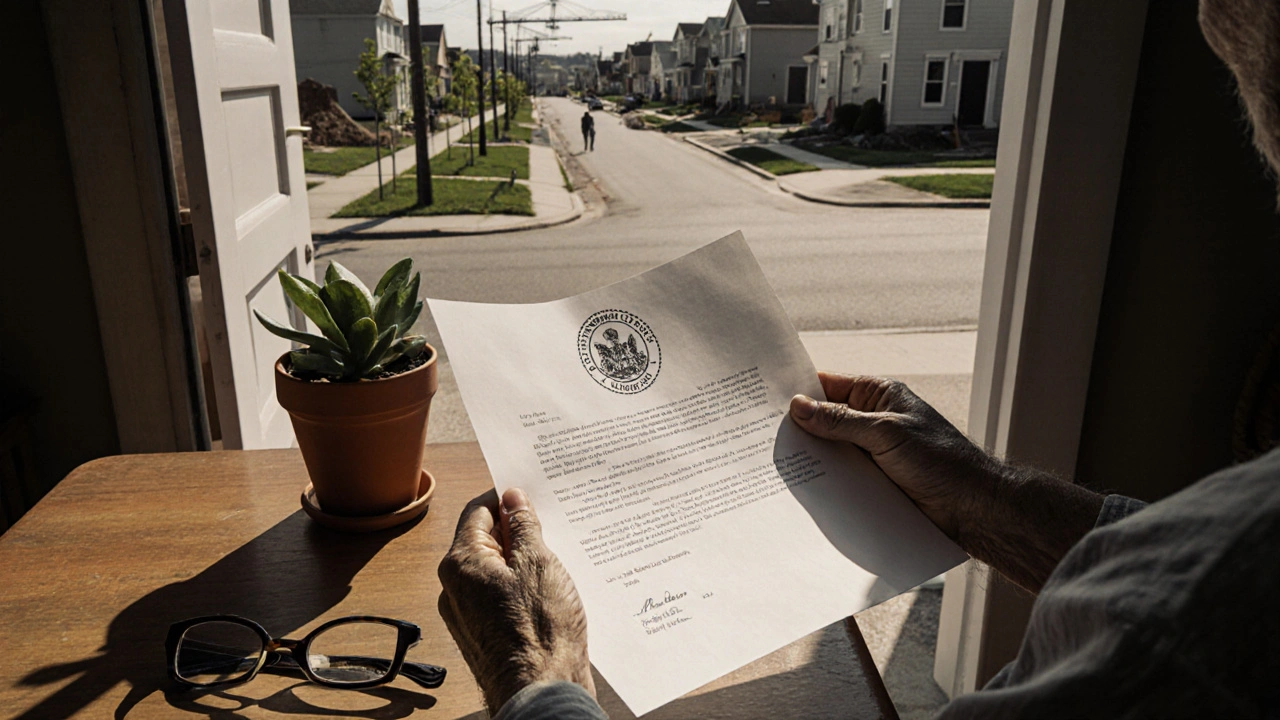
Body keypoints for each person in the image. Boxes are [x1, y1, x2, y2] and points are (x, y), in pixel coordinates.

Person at [438, 2, 1280, 717]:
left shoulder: (1188, 632)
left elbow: (1190, 594)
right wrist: (981, 495)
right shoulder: (1216, 570)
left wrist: (539, 681)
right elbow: (1161, 560)